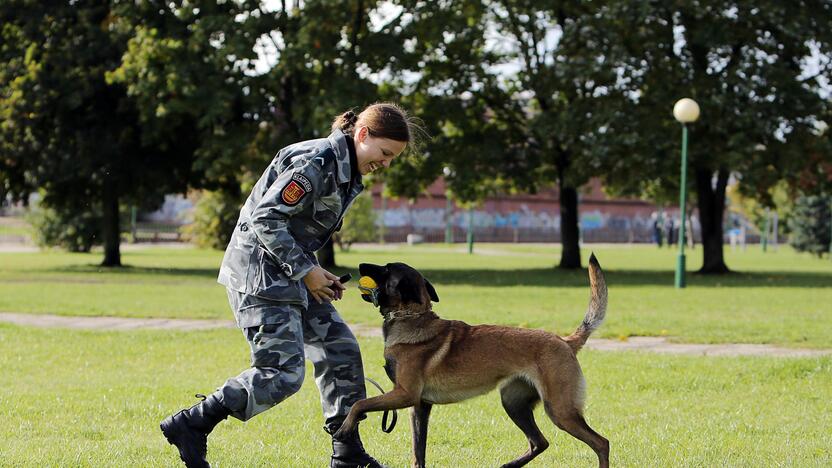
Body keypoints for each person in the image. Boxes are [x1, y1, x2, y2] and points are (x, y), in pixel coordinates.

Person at [160, 103, 416, 468]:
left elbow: (295, 229)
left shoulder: (345, 170)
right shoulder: (316, 161)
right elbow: (265, 218)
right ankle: (192, 423)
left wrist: (314, 271)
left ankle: (347, 454)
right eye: (385, 153)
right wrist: (305, 270)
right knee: (281, 373)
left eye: (393, 158)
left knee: (340, 349)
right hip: (259, 276)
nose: (386, 164)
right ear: (362, 135)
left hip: (288, 273)